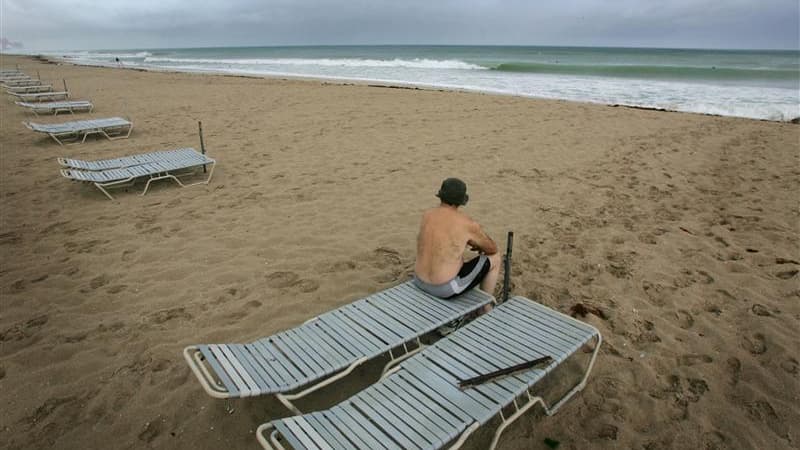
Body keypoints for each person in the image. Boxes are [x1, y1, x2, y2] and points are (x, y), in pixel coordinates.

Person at [413, 178, 500, 313]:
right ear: (461, 201)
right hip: (443, 289)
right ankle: (485, 307)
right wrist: (476, 244)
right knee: (495, 258)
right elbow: (492, 248)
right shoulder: (467, 223)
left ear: (441, 195)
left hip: (418, 280)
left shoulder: (427, 215)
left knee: (455, 257)